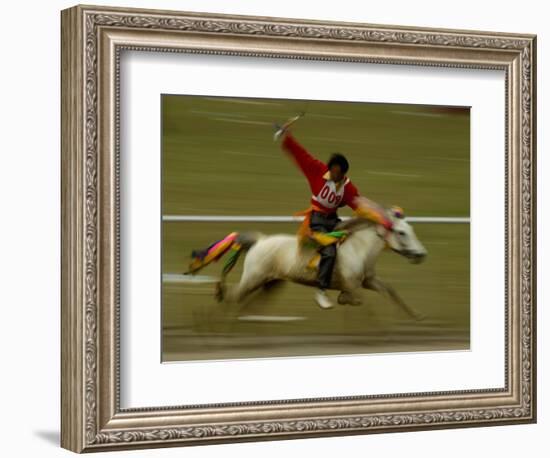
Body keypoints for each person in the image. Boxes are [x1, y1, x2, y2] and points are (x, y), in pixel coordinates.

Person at [277, 128, 394, 310]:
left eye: (337, 173)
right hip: (316, 220)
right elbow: (301, 155)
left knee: (352, 243)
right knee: (330, 250)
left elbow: (360, 205)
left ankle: (347, 288)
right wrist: (287, 137)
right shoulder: (317, 170)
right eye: (332, 171)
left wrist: (381, 217)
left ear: (343, 174)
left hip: (333, 220)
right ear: (329, 167)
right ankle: (321, 291)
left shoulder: (347, 188)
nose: (333, 175)